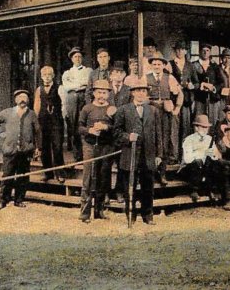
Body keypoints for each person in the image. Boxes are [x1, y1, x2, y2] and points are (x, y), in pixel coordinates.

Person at [113, 78, 163, 225]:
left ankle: (148, 215)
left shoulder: (153, 110)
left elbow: (158, 134)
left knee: (148, 187)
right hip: (130, 154)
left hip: (148, 155)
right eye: (138, 91)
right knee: (130, 186)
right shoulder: (123, 110)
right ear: (133, 93)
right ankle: (131, 215)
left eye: (143, 91)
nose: (141, 93)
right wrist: (128, 137)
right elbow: (116, 133)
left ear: (146, 93)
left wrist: (159, 154)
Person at [0, 90, 41, 210]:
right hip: (10, 150)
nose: (22, 99)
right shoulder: (8, 112)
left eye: (25, 97)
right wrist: (1, 132)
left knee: (23, 177)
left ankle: (19, 200)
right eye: (19, 97)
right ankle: (3, 200)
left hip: (25, 151)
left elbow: (38, 132)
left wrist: (38, 147)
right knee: (7, 175)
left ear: (28, 100)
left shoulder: (32, 114)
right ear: (15, 100)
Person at [78, 80, 118, 222]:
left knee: (103, 179)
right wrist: (90, 130)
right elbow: (79, 127)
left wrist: (106, 127)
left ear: (108, 94)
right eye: (99, 92)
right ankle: (84, 213)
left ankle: (99, 211)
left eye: (104, 92)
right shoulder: (87, 108)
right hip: (90, 147)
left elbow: (117, 128)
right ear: (94, 93)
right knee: (88, 179)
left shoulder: (113, 109)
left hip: (106, 147)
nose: (101, 95)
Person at [146, 52, 183, 186]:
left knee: (165, 140)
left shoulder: (170, 78)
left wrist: (176, 108)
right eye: (154, 64)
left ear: (163, 65)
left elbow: (180, 94)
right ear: (151, 65)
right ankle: (151, 174)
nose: (156, 66)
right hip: (151, 112)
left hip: (166, 112)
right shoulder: (145, 78)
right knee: (154, 140)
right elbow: (141, 95)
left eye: (159, 64)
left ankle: (162, 173)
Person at [34, 66, 65, 183]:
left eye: (49, 74)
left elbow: (64, 106)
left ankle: (60, 173)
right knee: (44, 148)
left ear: (53, 76)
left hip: (56, 122)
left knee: (57, 147)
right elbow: (36, 106)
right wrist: (35, 122)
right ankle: (48, 173)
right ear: (41, 77)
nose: (46, 77)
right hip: (43, 122)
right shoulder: (39, 90)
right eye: (44, 75)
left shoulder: (60, 88)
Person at [62, 47, 92, 161]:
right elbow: (67, 87)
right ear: (71, 59)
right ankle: (77, 155)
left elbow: (88, 84)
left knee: (84, 123)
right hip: (71, 99)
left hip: (84, 97)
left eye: (79, 56)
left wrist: (75, 84)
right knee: (74, 125)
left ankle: (87, 153)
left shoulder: (88, 70)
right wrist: (80, 84)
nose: (78, 59)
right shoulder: (67, 73)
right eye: (75, 57)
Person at [180, 114, 219, 202]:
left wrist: (212, 154)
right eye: (202, 127)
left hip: (205, 168)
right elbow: (187, 159)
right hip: (189, 169)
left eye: (207, 127)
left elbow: (216, 156)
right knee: (197, 162)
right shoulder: (189, 140)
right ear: (196, 128)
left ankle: (210, 190)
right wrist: (202, 154)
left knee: (215, 164)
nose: (205, 130)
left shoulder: (209, 139)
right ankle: (194, 190)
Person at [191, 44, 225, 124]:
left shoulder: (215, 66)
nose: (205, 52)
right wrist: (201, 86)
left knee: (212, 122)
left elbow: (221, 82)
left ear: (210, 52)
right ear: (199, 52)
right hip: (199, 99)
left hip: (212, 100)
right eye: (203, 50)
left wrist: (213, 88)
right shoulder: (194, 65)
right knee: (199, 121)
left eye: (207, 51)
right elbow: (191, 81)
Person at [170, 41, 195, 142]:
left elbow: (196, 82)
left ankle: (184, 153)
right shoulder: (170, 64)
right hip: (173, 99)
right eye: (178, 49)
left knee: (185, 126)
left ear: (185, 51)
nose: (180, 51)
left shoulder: (190, 65)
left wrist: (192, 86)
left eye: (182, 49)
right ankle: (174, 154)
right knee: (174, 126)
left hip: (186, 100)